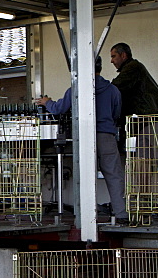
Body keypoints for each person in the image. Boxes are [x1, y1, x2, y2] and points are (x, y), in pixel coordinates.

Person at [36, 57, 127, 223]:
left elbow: (59, 109)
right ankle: (121, 215)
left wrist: (47, 102)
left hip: (84, 136)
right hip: (107, 136)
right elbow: (116, 114)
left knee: (84, 177)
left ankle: (86, 216)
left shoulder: (76, 89)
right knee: (114, 176)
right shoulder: (113, 90)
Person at [109, 42, 158, 194]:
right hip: (144, 122)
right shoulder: (133, 69)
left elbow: (116, 87)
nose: (111, 61)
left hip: (153, 119)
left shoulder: (132, 68)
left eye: (113, 56)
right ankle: (143, 200)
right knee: (143, 162)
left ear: (124, 55)